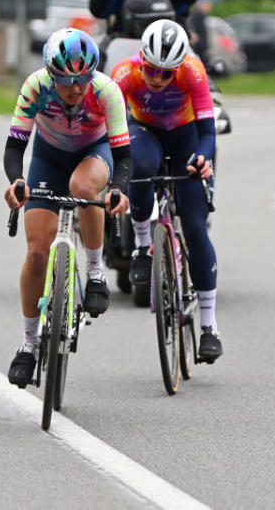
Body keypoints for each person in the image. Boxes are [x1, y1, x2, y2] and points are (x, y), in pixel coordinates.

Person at [3, 28, 131, 388]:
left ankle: (94, 272)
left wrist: (118, 190)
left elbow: (123, 155)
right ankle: (28, 343)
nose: (75, 88)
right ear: (51, 74)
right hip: (47, 159)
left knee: (82, 187)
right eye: (66, 80)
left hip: (95, 154)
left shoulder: (106, 91)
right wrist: (16, 181)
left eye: (83, 78)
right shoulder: (35, 86)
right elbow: (15, 148)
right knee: (37, 253)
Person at [110, 19, 222, 361]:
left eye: (166, 73)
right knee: (140, 168)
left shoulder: (192, 70)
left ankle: (208, 327)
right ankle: (142, 247)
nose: (158, 79)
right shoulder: (123, 75)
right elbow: (109, 128)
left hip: (186, 134)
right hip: (144, 129)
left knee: (195, 226)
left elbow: (207, 132)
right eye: (152, 70)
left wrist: (202, 157)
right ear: (141, 59)